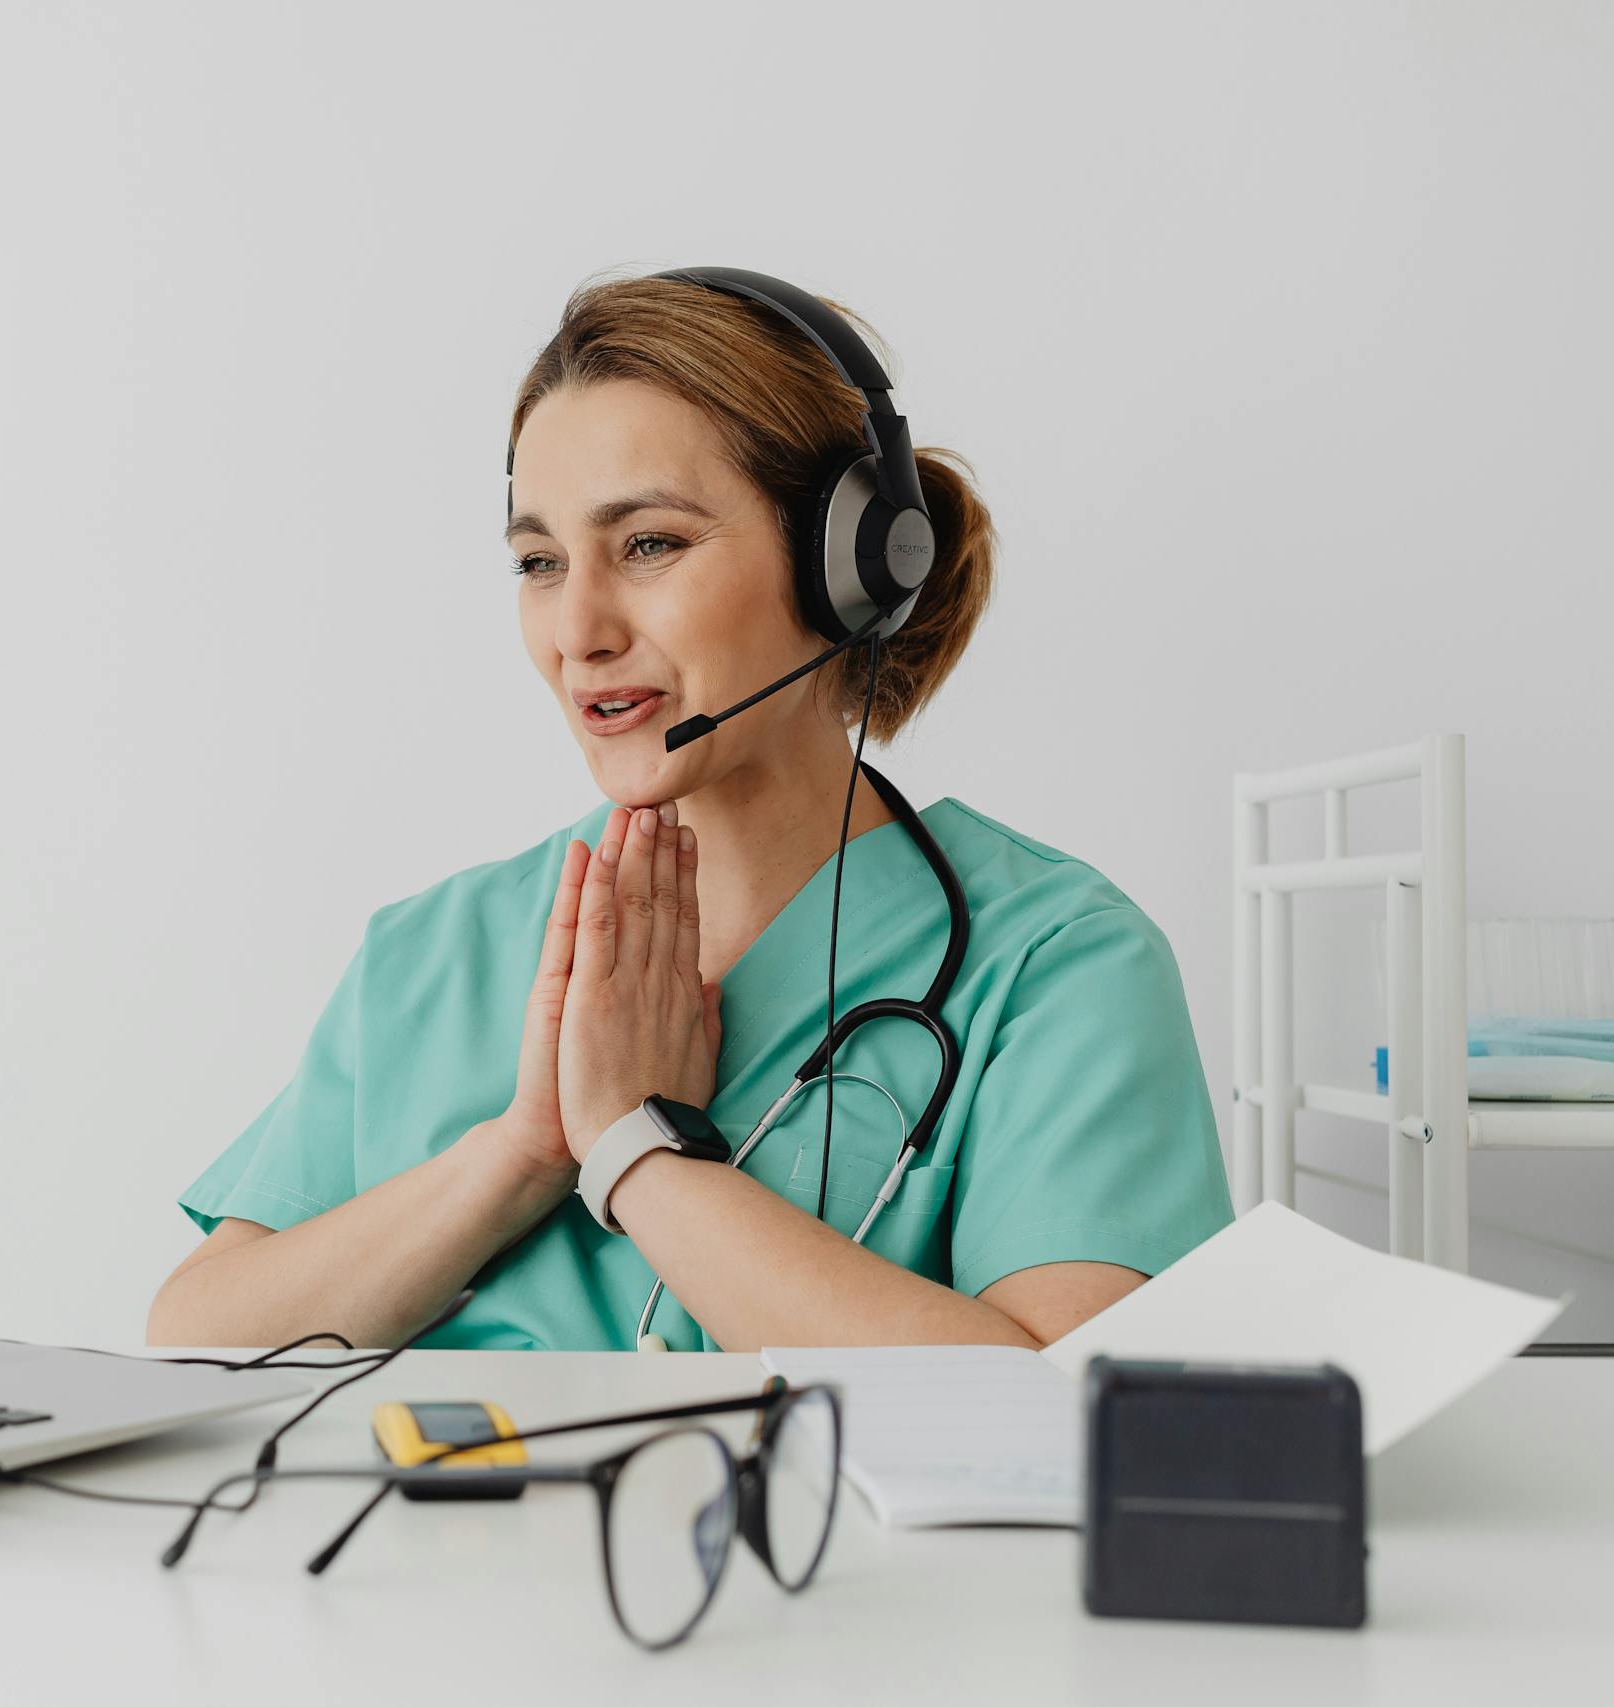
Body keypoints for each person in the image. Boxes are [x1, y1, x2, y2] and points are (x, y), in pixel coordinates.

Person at [146, 271, 1233, 1353]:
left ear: (847, 569)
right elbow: (194, 1337)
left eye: (649, 545)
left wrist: (635, 1153)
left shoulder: (1054, 963)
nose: (578, 628)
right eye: (538, 561)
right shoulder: (430, 954)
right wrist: (523, 1152)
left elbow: (1068, 1428)